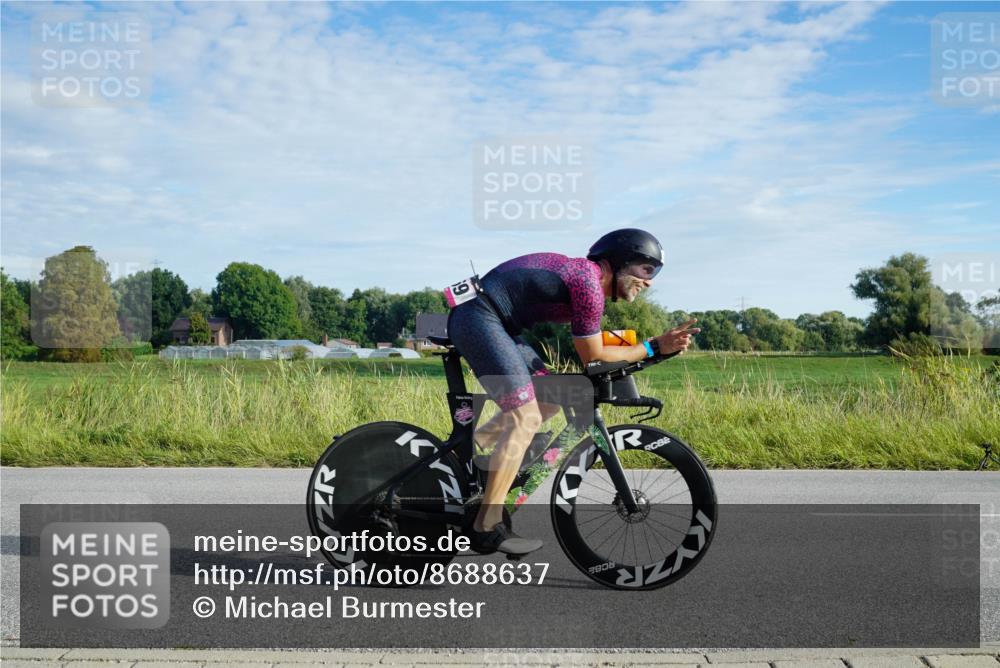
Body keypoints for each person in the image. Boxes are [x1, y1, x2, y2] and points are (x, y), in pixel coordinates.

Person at [447, 228, 700, 555]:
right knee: (525, 417)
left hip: (495, 321)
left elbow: (599, 347)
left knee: (550, 400)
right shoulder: (588, 283)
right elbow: (593, 356)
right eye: (646, 269)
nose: (649, 281)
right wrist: (652, 347)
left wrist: (651, 350)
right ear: (619, 262)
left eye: (655, 273)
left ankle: (466, 455)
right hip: (478, 316)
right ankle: (486, 526)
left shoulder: (589, 282)